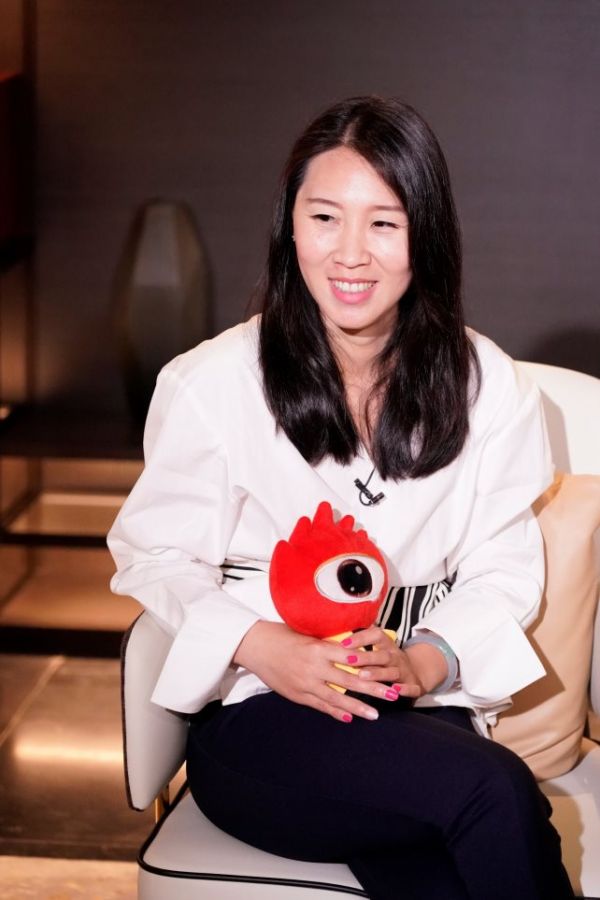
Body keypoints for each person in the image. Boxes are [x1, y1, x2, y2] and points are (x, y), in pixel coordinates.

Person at [108, 97, 575, 899]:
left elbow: (504, 567)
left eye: (384, 224)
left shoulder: (487, 384)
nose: (350, 253)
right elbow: (155, 557)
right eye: (325, 217)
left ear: (426, 236)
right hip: (258, 715)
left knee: (446, 867)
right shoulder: (213, 381)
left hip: (417, 709)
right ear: (290, 227)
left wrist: (424, 660)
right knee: (493, 793)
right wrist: (265, 646)